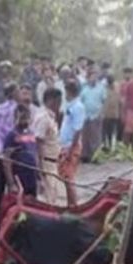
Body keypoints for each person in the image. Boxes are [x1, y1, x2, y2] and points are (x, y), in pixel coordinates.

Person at [0, 83, 20, 224]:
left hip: (0, 152)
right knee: (14, 183)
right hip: (13, 151)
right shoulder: (17, 109)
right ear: (13, 92)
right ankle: (14, 214)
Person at [2, 104, 40, 199]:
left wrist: (39, 177)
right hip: (19, 178)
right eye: (22, 117)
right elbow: (6, 161)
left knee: (32, 205)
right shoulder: (11, 135)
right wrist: (11, 183)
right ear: (16, 117)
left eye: (27, 117)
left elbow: (35, 154)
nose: (25, 120)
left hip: (32, 178)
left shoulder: (31, 133)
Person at [33, 88, 63, 203]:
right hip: (46, 163)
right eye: (58, 102)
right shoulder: (44, 118)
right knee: (49, 198)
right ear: (51, 101)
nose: (60, 105)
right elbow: (38, 142)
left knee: (54, 195)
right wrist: (40, 169)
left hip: (53, 162)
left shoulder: (51, 117)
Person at [59, 80, 86, 208]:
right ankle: (70, 203)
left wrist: (71, 149)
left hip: (71, 145)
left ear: (69, 92)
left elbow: (78, 129)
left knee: (69, 177)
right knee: (65, 176)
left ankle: (74, 204)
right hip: (65, 144)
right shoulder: (70, 105)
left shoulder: (78, 107)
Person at [80, 71, 107, 162]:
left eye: (95, 76)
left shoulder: (101, 88)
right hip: (85, 115)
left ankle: (95, 156)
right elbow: (81, 100)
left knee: (95, 137)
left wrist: (101, 113)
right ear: (88, 78)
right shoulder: (84, 88)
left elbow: (104, 102)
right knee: (85, 136)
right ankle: (85, 156)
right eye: (92, 77)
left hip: (96, 115)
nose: (93, 79)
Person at [102, 75, 122, 148]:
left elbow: (119, 101)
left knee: (110, 132)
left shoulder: (116, 89)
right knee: (105, 132)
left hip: (113, 114)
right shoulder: (104, 89)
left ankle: (110, 146)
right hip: (106, 114)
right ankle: (105, 145)